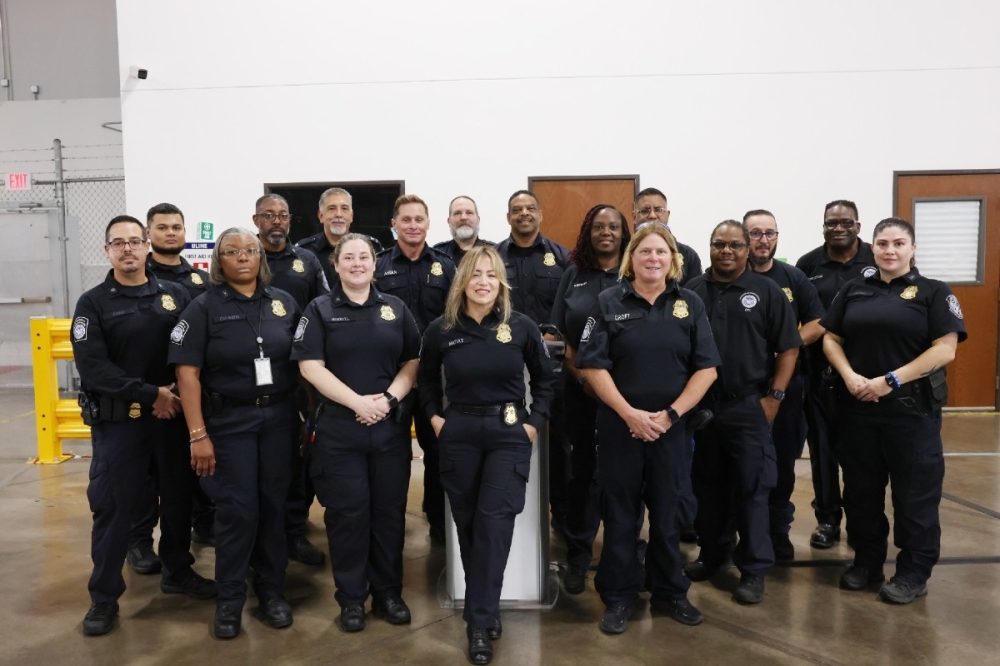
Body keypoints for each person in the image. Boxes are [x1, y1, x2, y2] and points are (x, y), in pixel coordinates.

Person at [73, 215, 215, 637]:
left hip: (171, 422)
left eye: (135, 241)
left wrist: (173, 393)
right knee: (114, 511)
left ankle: (177, 570)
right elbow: (95, 370)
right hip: (123, 426)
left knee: (177, 501)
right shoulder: (93, 303)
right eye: (119, 243)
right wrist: (153, 394)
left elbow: (191, 351)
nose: (129, 249)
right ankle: (103, 598)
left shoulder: (174, 295)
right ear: (107, 251)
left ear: (146, 246)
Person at [576, 222, 719, 634]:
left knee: (668, 512)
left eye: (661, 252)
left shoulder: (689, 303)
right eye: (645, 252)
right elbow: (592, 365)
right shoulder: (607, 301)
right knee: (620, 514)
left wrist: (670, 415)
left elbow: (706, 369)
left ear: (672, 260)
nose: (653, 259)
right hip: (621, 428)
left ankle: (670, 592)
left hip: (671, 430)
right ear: (631, 259)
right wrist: (630, 415)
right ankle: (619, 596)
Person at [420, 245, 556, 665]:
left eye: (491, 275)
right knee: (468, 527)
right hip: (458, 432)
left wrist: (533, 423)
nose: (483, 281)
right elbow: (425, 383)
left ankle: (478, 624)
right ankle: (488, 605)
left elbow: (546, 381)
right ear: (462, 281)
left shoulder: (522, 327)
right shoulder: (441, 329)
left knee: (494, 527)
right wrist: (436, 420)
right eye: (475, 274)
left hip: (507, 434)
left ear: (501, 282)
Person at [821, 217, 966, 604]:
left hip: (910, 410)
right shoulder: (854, 290)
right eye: (882, 243)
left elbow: (944, 348)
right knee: (861, 492)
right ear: (873, 247)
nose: (890, 250)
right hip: (858, 408)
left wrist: (890, 379)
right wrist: (850, 375)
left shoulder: (933, 292)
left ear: (913, 248)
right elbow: (830, 339)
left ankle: (913, 573)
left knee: (914, 495)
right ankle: (867, 562)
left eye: (899, 243)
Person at [170, 227, 303, 639]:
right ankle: (230, 601)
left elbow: (305, 364)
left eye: (250, 250)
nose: (243, 258)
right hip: (229, 424)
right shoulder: (203, 307)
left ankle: (271, 592)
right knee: (237, 511)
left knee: (272, 507)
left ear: (261, 257)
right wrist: (197, 434)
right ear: (217, 261)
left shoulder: (284, 304)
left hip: (279, 420)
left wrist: (308, 420)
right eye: (232, 251)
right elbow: (186, 375)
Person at [293, 233, 421, 632]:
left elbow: (413, 361)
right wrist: (358, 403)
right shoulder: (319, 309)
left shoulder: (395, 309)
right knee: (348, 516)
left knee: (387, 514)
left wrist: (387, 400)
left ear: (374, 263)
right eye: (348, 257)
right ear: (335, 265)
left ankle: (387, 593)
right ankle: (351, 598)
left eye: (364, 257)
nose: (357, 263)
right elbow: (310, 366)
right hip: (339, 431)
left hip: (388, 429)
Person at [684, 220, 801, 605]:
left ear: (748, 249)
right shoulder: (691, 292)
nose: (727, 252)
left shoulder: (766, 291)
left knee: (753, 488)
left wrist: (775, 397)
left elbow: (788, 348)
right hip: (702, 409)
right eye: (720, 245)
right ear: (711, 247)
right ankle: (713, 555)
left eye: (735, 245)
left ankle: (753, 569)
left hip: (748, 404)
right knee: (707, 488)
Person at [551, 204, 631, 594]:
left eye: (613, 227)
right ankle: (579, 555)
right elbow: (557, 335)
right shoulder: (574, 275)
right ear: (588, 232)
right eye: (599, 227)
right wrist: (582, 377)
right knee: (580, 474)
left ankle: (623, 555)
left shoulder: (635, 275)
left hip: (627, 397)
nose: (606, 233)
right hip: (580, 391)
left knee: (624, 475)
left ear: (623, 233)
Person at [795, 200, 878, 550]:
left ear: (858, 226)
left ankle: (864, 523)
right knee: (823, 452)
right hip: (819, 375)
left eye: (846, 222)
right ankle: (828, 519)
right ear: (824, 226)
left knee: (863, 454)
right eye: (831, 223)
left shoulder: (877, 259)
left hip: (866, 374)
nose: (838, 228)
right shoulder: (808, 264)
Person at [744, 209, 825, 561]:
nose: (763, 240)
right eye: (755, 233)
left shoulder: (793, 278)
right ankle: (739, 533)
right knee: (738, 464)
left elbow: (819, 321)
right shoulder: (725, 276)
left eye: (769, 233)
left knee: (781, 462)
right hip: (740, 388)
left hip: (787, 385)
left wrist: (784, 345)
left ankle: (778, 530)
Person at [253, 193, 329, 567]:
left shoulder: (307, 261)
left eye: (282, 215)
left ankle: (296, 534)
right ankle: (263, 539)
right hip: (251, 383)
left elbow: (324, 310)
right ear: (256, 220)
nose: (276, 222)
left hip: (298, 378)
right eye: (269, 215)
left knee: (296, 463)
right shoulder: (248, 258)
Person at [375, 194, 456, 543]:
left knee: (438, 451)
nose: (412, 225)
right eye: (405, 219)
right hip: (389, 378)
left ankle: (438, 521)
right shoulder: (377, 265)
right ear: (394, 224)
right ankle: (389, 522)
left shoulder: (445, 265)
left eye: (418, 219)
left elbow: (456, 317)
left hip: (434, 377)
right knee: (391, 453)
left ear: (428, 223)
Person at [495, 190, 571, 537]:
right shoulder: (493, 257)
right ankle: (515, 516)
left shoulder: (561, 258)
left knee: (558, 447)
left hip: (551, 372)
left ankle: (561, 515)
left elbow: (571, 311)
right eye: (516, 210)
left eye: (529, 209)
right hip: (504, 369)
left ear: (540, 214)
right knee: (509, 439)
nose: (523, 214)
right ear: (508, 217)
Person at [145, 202, 217, 549]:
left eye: (176, 227)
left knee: (191, 473)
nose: (170, 232)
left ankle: (203, 525)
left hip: (190, 391)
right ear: (149, 233)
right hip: (152, 397)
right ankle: (139, 543)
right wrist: (155, 392)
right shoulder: (139, 277)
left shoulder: (200, 281)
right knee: (147, 481)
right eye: (162, 227)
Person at [297, 187, 384, 288]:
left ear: (351, 216)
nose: (338, 214)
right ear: (321, 216)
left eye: (344, 208)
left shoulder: (372, 247)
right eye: (332, 209)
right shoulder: (304, 250)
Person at [632, 187, 702, 285]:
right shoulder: (625, 252)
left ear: (668, 215)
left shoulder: (688, 255)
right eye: (645, 211)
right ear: (634, 217)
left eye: (658, 210)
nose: (652, 215)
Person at [433, 195, 495, 265]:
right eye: (457, 213)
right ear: (449, 221)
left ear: (478, 219)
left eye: (469, 213)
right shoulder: (437, 254)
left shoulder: (495, 252)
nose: (463, 217)